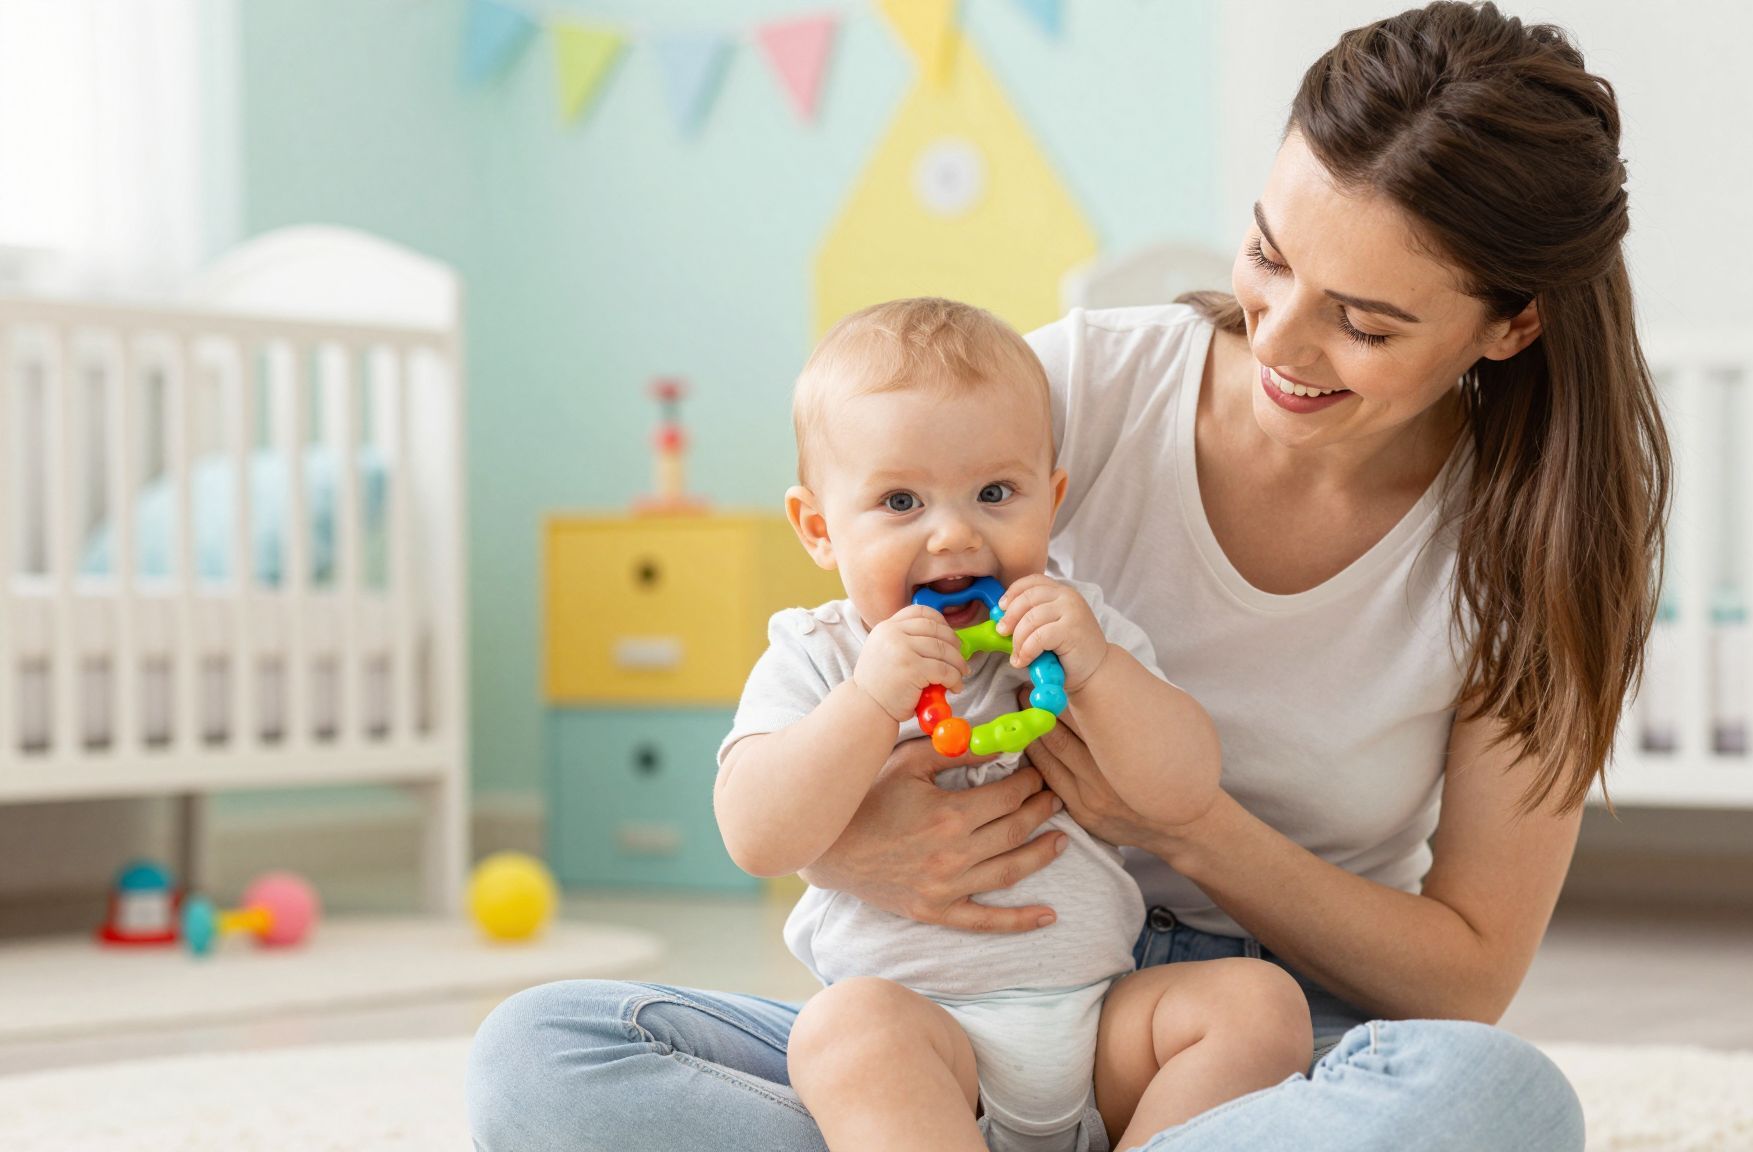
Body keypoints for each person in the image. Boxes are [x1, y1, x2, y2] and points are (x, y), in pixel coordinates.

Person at [468, 3, 1667, 1148]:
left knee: (1494, 1104)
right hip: (949, 1009)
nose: (1281, 343)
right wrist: (859, 846)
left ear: (1508, 327)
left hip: (1246, 1038)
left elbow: (1462, 975)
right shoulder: (1078, 388)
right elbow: (803, 719)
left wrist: (1187, 829)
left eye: (1362, 322)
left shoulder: (1530, 553)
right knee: (543, 1057)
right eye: (1266, 254)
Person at [715, 296, 1310, 1152]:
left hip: (1099, 1023)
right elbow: (756, 835)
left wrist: (1100, 669)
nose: (954, 535)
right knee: (843, 1034)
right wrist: (869, 703)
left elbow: (1182, 787)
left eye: (996, 493)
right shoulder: (817, 655)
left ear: (1052, 497)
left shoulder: (1079, 629)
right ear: (818, 528)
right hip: (922, 1037)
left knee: (1260, 1007)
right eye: (899, 502)